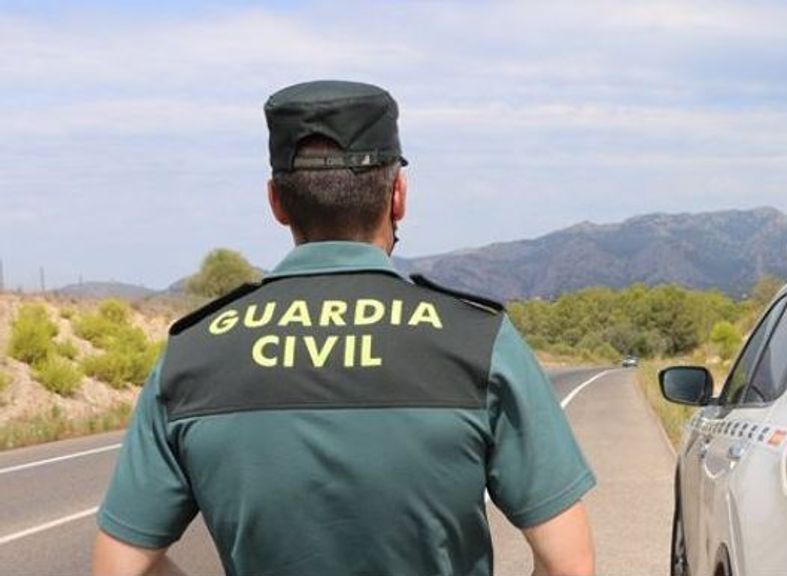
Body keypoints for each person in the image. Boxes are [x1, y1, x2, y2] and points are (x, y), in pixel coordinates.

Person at [92, 80, 596, 576]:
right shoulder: (478, 341)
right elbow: (568, 563)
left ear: (277, 202)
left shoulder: (193, 354)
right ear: (398, 196)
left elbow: (120, 567)